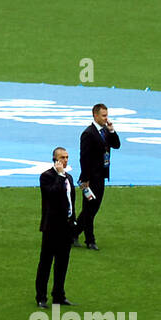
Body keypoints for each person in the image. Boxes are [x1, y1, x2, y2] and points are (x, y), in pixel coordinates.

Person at [37, 147, 79, 308]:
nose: (65, 160)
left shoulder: (68, 177)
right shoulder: (47, 176)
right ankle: (41, 297)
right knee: (46, 263)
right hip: (52, 227)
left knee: (62, 263)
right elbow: (52, 194)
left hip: (66, 226)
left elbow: (70, 201)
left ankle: (59, 295)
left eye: (67, 157)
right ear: (54, 159)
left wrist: (73, 220)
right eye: (62, 157)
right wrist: (60, 177)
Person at [76, 103, 119, 251]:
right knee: (89, 209)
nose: (106, 118)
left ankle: (72, 232)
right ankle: (90, 240)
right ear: (95, 115)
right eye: (103, 115)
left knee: (93, 208)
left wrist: (112, 130)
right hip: (91, 177)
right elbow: (84, 158)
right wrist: (85, 179)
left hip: (101, 175)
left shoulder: (106, 131)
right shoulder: (88, 133)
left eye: (107, 115)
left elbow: (117, 145)